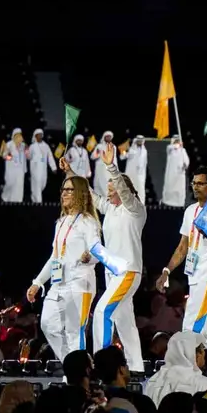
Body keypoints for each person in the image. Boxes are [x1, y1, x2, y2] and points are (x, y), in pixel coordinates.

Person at [154, 166, 207, 346]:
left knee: (192, 325)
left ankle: (186, 365)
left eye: (200, 183)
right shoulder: (190, 211)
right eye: (194, 183)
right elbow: (183, 247)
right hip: (195, 276)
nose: (195, 187)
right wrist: (167, 270)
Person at [26, 172, 102, 360]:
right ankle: (73, 366)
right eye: (63, 190)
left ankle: (77, 375)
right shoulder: (60, 222)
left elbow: (97, 252)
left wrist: (88, 257)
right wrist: (37, 282)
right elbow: (55, 256)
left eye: (70, 190)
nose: (64, 193)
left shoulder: (88, 222)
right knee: (48, 325)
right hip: (58, 284)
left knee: (74, 332)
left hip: (80, 284)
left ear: (81, 194)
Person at [90, 152, 147, 370]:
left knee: (103, 311)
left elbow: (122, 190)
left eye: (114, 186)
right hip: (111, 275)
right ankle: (136, 369)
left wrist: (111, 167)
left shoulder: (136, 210)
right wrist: (71, 173)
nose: (110, 190)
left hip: (128, 272)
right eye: (109, 187)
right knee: (125, 324)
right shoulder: (111, 210)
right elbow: (93, 197)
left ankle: (101, 367)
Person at [160, 134, 189, 207]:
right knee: (169, 188)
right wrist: (178, 145)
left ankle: (179, 203)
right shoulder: (170, 149)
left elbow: (186, 161)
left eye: (178, 141)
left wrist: (185, 164)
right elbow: (170, 147)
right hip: (171, 173)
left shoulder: (183, 150)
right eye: (175, 141)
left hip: (179, 175)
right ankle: (167, 201)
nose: (177, 142)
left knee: (179, 189)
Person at [25, 129, 51, 202]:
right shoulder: (32, 146)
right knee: (37, 185)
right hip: (35, 169)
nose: (40, 136)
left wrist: (53, 167)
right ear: (35, 136)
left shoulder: (46, 146)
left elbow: (50, 157)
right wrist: (26, 150)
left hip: (43, 169)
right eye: (38, 135)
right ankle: (38, 202)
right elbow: (28, 157)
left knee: (42, 184)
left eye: (41, 134)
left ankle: (34, 196)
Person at [0, 128, 25, 201]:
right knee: (10, 184)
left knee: (19, 186)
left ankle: (17, 202)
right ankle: (4, 197)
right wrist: (11, 157)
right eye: (17, 134)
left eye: (20, 134)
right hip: (10, 169)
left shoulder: (23, 145)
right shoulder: (8, 144)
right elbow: (3, 155)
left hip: (20, 170)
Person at [124, 134, 148, 202]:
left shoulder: (144, 151)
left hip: (140, 175)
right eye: (138, 141)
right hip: (131, 173)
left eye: (141, 141)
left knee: (140, 189)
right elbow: (123, 156)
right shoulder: (131, 150)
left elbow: (145, 163)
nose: (140, 142)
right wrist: (125, 153)